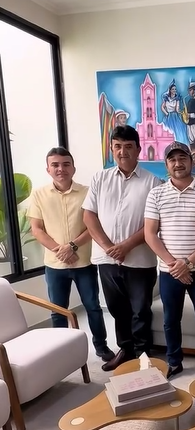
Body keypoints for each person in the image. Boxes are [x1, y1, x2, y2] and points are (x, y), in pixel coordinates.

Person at [82, 125, 162, 372]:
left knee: (140, 310)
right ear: (111, 149)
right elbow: (88, 216)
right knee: (117, 309)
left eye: (128, 146)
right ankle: (125, 350)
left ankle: (143, 355)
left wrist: (126, 245)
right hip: (107, 260)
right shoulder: (100, 178)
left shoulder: (153, 182)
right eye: (117, 146)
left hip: (140, 260)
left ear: (138, 149)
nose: (122, 151)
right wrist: (109, 247)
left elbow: (153, 224)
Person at [144, 141, 195, 379]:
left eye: (182, 158)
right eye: (172, 159)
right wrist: (175, 265)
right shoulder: (156, 194)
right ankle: (174, 361)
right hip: (169, 272)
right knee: (171, 319)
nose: (178, 163)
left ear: (191, 161)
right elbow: (150, 234)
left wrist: (188, 262)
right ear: (166, 164)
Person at [28, 147, 114, 362]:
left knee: (93, 307)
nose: (61, 169)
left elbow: (94, 225)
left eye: (66, 164)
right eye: (55, 165)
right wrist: (61, 250)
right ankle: (60, 350)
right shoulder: (39, 194)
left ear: (73, 168)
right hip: (55, 265)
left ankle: (101, 346)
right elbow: (37, 229)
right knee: (58, 310)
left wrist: (72, 246)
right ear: (48, 169)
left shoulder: (87, 192)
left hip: (84, 263)